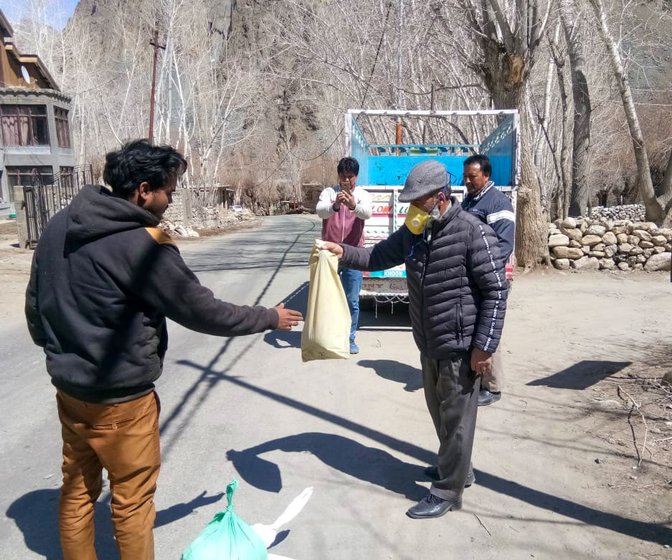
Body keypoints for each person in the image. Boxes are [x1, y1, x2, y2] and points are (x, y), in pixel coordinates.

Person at [24, 139, 303, 560]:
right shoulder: (141, 245)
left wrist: (63, 354)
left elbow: (35, 307)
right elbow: (203, 310)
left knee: (78, 491)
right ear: (142, 190)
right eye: (168, 191)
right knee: (132, 504)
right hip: (123, 402)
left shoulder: (60, 224)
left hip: (71, 391)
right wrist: (267, 317)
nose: (171, 200)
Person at [322, 160, 507, 519]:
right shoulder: (415, 231)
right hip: (429, 341)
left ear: (439, 197)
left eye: (417, 201)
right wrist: (342, 251)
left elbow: (496, 292)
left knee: (456, 420)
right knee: (441, 415)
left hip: (459, 344)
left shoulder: (471, 231)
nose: (411, 208)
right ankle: (458, 469)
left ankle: (448, 492)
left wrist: (484, 348)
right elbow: (377, 255)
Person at [461, 154, 515, 406]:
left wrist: (481, 270)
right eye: (465, 177)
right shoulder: (470, 200)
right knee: (475, 328)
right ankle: (478, 378)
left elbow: (503, 246)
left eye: (472, 177)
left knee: (490, 329)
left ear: (486, 175)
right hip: (472, 276)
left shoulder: (498, 203)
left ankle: (492, 387)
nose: (467, 181)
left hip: (490, 277)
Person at [315, 156, 372, 354]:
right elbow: (320, 212)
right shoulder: (329, 193)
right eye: (343, 176)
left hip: (353, 252)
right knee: (327, 297)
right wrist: (335, 206)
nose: (347, 180)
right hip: (329, 252)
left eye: (350, 176)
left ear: (356, 176)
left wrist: (353, 205)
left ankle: (350, 338)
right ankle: (328, 336)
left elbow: (367, 213)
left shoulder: (362, 194)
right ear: (338, 176)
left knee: (352, 299)